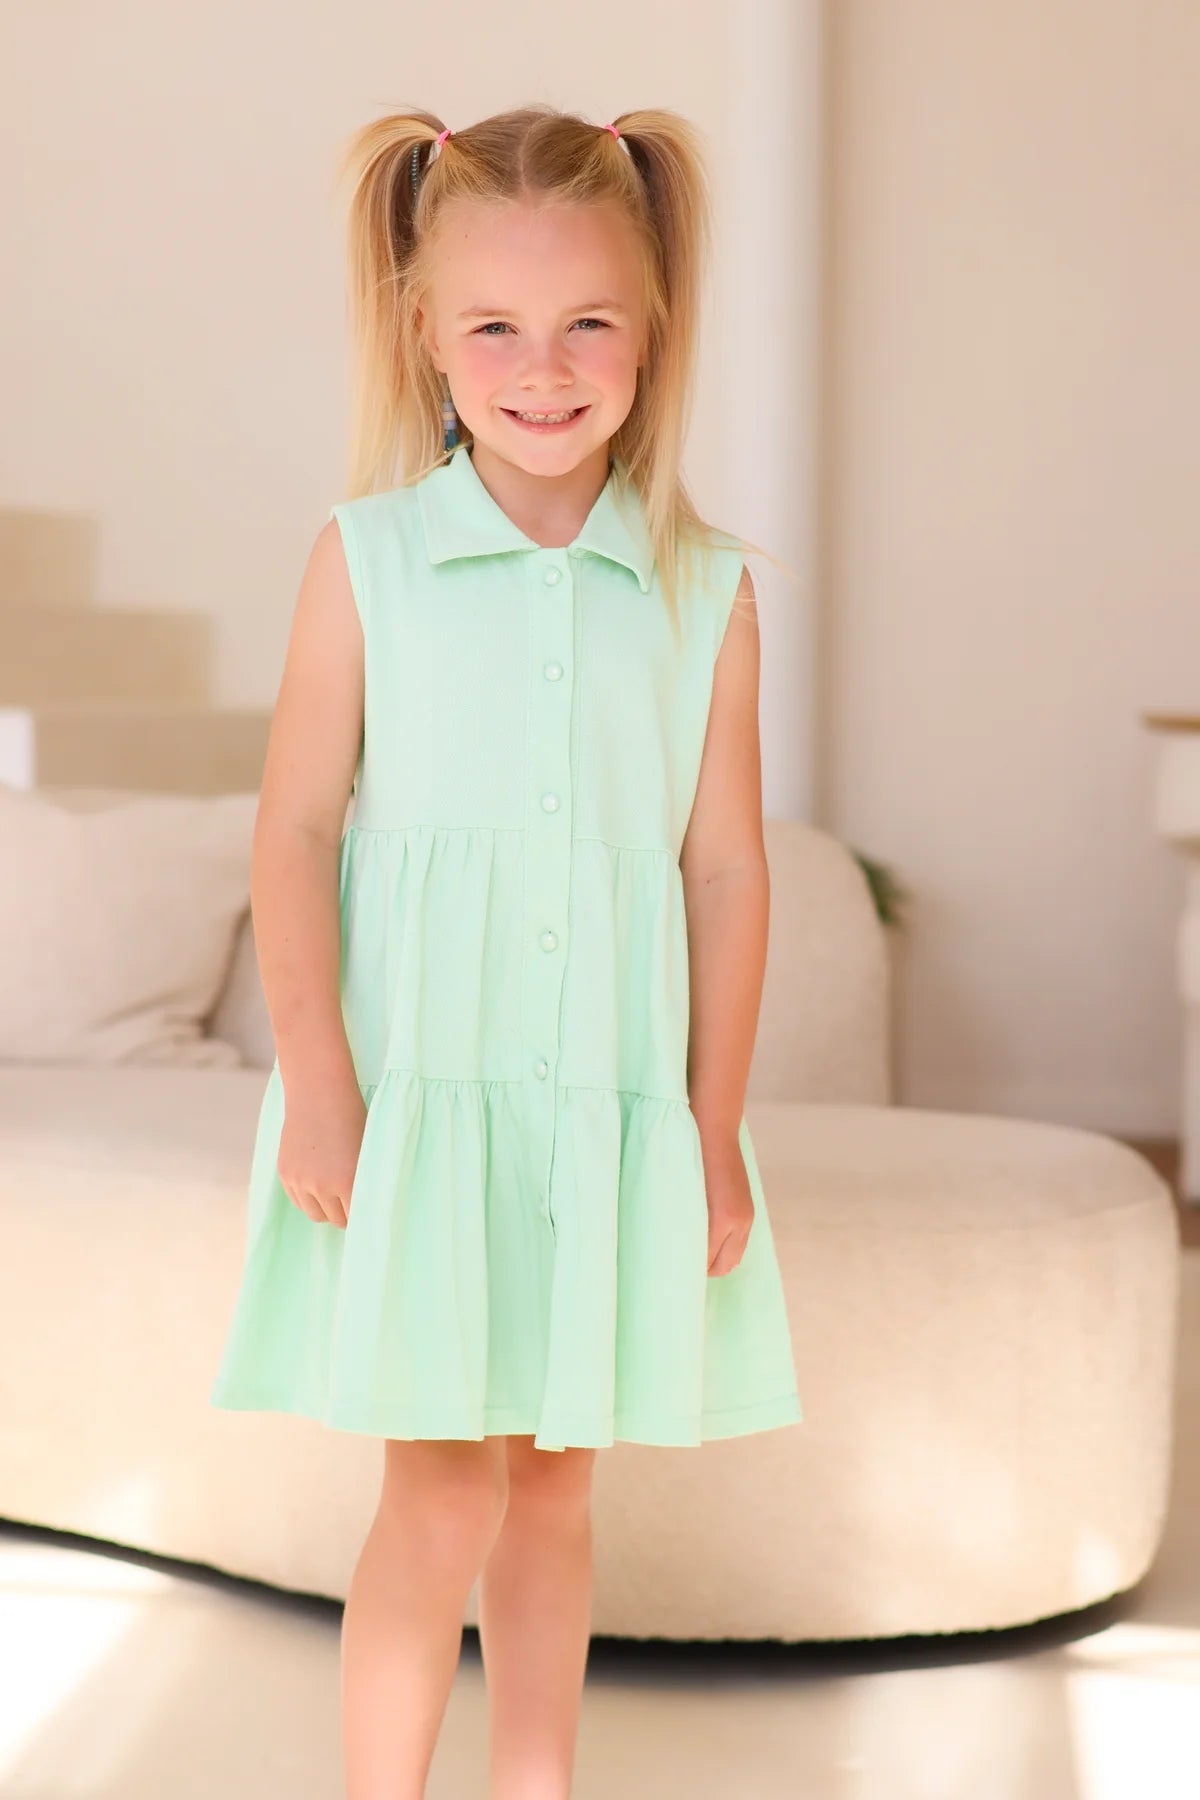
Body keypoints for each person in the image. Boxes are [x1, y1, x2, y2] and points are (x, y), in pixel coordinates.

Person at [209, 101, 803, 1800]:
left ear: (653, 329)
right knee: (441, 1489)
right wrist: (321, 1085)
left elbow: (725, 871)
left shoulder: (706, 592)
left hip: (602, 1112)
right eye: (495, 328)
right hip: (422, 1109)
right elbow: (294, 832)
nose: (544, 371)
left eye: (587, 324)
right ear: (425, 334)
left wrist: (709, 1129)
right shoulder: (368, 562)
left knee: (557, 1487)